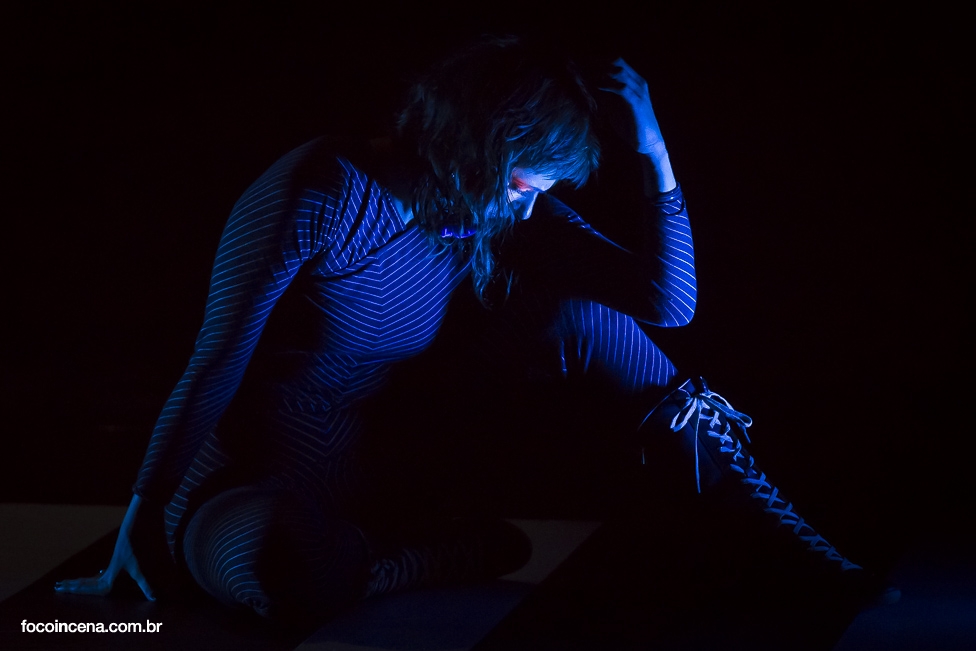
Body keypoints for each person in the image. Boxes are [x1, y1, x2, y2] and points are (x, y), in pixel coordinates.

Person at [54, 36, 893, 625]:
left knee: (584, 320)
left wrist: (654, 148)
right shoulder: (323, 187)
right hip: (250, 480)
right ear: (478, 147)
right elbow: (214, 363)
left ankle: (788, 553)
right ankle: (413, 560)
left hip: (384, 474)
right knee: (283, 567)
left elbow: (666, 303)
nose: (529, 207)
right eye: (526, 183)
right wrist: (137, 525)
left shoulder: (494, 214)